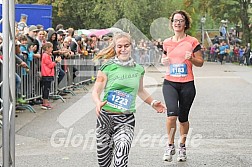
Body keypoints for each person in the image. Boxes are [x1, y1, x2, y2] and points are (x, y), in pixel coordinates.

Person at [92, 32, 166, 167]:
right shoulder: (107, 67)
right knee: (104, 163)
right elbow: (96, 90)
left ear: (131, 47)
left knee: (121, 158)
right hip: (106, 118)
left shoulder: (138, 69)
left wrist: (153, 102)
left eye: (126, 46)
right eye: (119, 46)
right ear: (115, 48)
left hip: (126, 119)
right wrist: (97, 102)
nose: (123, 49)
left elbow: (140, 90)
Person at [161, 10, 204, 162]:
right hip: (170, 83)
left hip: (187, 84)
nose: (177, 22)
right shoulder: (166, 42)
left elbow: (200, 62)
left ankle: (182, 146)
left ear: (186, 24)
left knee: (183, 118)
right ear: (171, 23)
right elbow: (164, 58)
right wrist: (163, 61)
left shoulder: (192, 42)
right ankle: (170, 145)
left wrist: (191, 58)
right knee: (172, 115)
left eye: (181, 20)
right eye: (175, 20)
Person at [40, 42, 61, 110]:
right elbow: (50, 65)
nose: (52, 49)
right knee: (46, 89)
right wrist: (56, 61)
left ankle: (45, 102)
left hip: (47, 73)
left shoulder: (46, 55)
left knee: (46, 88)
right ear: (47, 48)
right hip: (47, 74)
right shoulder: (45, 55)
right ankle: (45, 102)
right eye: (51, 48)